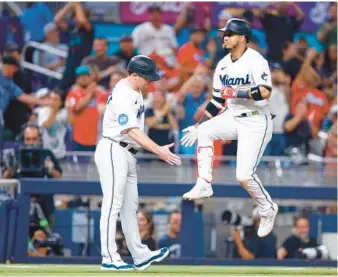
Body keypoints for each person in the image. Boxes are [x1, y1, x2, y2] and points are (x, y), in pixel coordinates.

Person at [180, 19, 278, 238]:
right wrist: (199, 125)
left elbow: (265, 92)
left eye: (231, 34)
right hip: (233, 116)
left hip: (256, 120)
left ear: (243, 38)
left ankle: (267, 208)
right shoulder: (223, 64)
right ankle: (204, 183)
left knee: (243, 176)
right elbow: (216, 100)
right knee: (204, 131)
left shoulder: (256, 60)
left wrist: (236, 93)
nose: (225, 37)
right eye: (225, 33)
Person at [94, 55, 181, 271]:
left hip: (128, 153)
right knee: (113, 203)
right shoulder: (124, 93)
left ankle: (139, 254)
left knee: (130, 208)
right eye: (146, 77)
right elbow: (131, 130)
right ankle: (109, 257)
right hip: (114, 149)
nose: (150, 82)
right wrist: (158, 150)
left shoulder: (134, 90)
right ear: (134, 75)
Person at [0, 56, 50, 144]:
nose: (15, 71)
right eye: (14, 68)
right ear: (8, 66)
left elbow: (22, 96)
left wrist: (44, 102)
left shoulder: (9, 82)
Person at [54, 2, 94, 94]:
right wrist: (69, 5)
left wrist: (77, 4)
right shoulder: (72, 28)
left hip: (82, 69)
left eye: (77, 16)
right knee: (61, 94)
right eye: (74, 16)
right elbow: (56, 19)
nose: (76, 19)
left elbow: (82, 21)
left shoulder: (89, 29)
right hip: (69, 68)